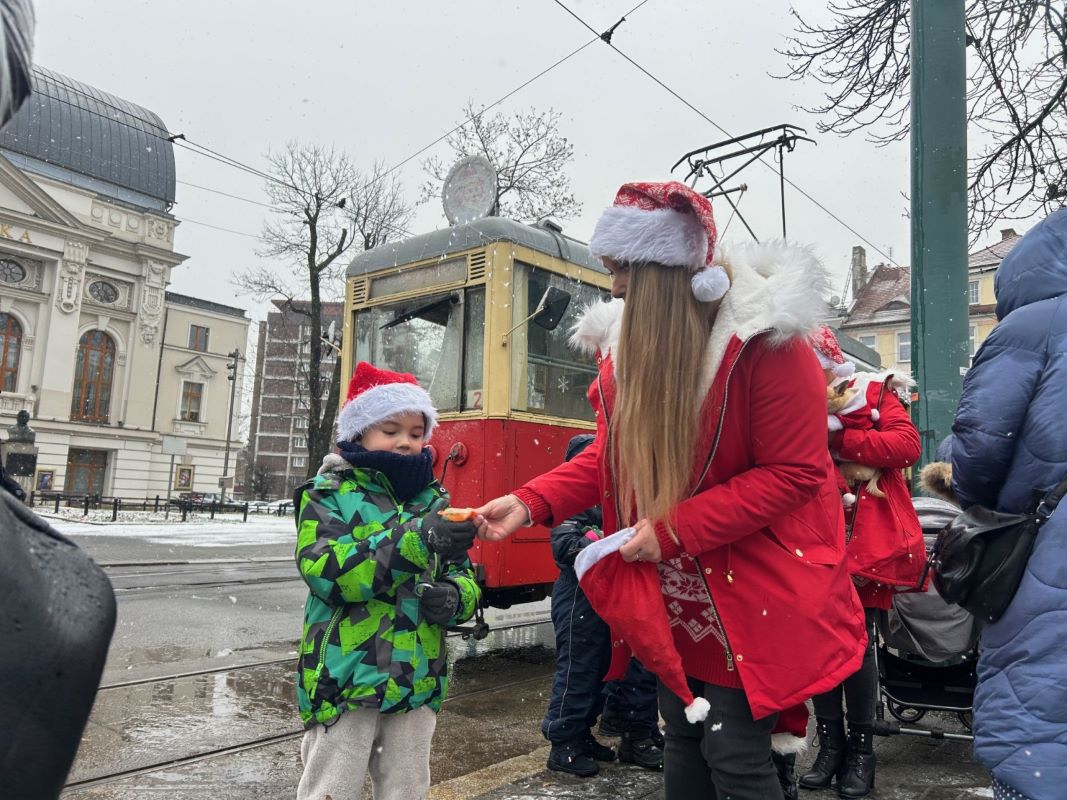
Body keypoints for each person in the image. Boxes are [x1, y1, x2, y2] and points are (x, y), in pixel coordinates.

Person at [476, 181, 867, 800]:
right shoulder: (628, 355)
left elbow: (794, 475)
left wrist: (672, 530)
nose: (614, 289)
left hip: (753, 586)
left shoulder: (768, 344)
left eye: (624, 270)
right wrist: (530, 501)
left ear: (666, 272)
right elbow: (612, 458)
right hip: (682, 589)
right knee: (684, 734)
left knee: (735, 750)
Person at [294, 362, 481, 800]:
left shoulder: (433, 500)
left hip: (417, 679)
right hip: (346, 679)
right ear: (359, 433)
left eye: (416, 433)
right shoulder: (327, 494)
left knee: (408, 788)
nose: (405, 442)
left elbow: (464, 575)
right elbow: (330, 574)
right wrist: (415, 541)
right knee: (331, 788)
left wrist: (456, 598)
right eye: (391, 429)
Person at [951, 208, 1067, 800]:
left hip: (1052, 550)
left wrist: (952, 476)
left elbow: (979, 451)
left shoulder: (1034, 325)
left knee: (1043, 715)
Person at [800, 326, 926, 798]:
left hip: (866, 546)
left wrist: (840, 445)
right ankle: (830, 747)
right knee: (819, 648)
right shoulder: (793, 399)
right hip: (816, 537)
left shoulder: (875, 391)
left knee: (856, 651)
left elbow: (905, 446)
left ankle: (861, 751)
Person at [543, 433, 663, 777]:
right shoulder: (576, 500)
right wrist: (610, 540)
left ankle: (582, 735)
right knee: (578, 672)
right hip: (579, 600)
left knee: (604, 672)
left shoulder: (625, 499)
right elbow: (565, 545)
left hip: (612, 600)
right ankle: (563, 742)